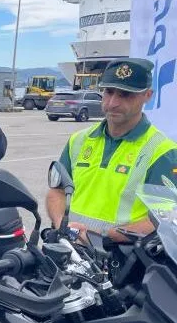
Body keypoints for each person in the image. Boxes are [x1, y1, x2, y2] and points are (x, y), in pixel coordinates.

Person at [47, 58, 177, 244]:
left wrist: (99, 237)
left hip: (122, 260)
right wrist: (63, 225)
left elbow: (164, 219)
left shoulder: (163, 152)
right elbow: (57, 192)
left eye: (125, 95)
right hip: (71, 252)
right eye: (108, 92)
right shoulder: (79, 140)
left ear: (148, 96)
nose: (112, 103)